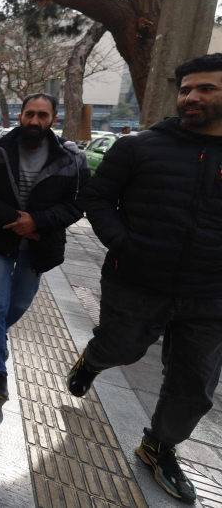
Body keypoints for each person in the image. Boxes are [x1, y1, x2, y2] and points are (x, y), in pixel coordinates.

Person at [69, 53, 222, 504]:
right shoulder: (139, 147)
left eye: (205, 88)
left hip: (210, 295)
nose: (190, 96)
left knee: (195, 384)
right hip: (135, 281)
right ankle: (94, 359)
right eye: (186, 89)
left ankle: (159, 446)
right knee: (123, 348)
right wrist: (124, 243)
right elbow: (97, 199)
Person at [0, 94, 90, 401]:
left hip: (39, 247)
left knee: (18, 304)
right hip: (0, 239)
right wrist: (15, 220)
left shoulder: (72, 158)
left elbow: (79, 204)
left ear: (53, 119)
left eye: (42, 115)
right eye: (30, 114)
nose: (35, 120)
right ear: (20, 116)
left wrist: (37, 221)